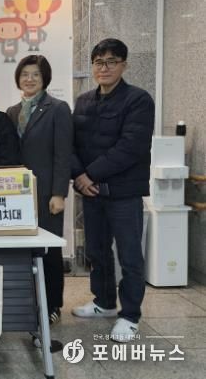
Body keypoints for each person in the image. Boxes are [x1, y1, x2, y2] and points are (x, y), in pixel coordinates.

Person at [70, 38, 154, 343]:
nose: (104, 68)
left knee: (129, 255)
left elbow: (130, 147)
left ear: (124, 65)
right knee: (96, 251)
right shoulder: (84, 101)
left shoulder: (138, 100)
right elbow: (71, 144)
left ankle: (130, 315)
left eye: (111, 62)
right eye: (98, 62)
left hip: (124, 194)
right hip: (92, 194)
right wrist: (79, 175)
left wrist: (89, 174)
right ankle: (104, 302)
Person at [6, 55, 72, 325]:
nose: (29, 79)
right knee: (23, 251)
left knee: (49, 250)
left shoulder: (58, 108)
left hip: (46, 194)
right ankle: (28, 302)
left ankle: (53, 304)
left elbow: (63, 153)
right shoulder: (11, 112)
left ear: (45, 78)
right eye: (24, 74)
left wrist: (59, 193)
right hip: (18, 195)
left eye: (35, 74)